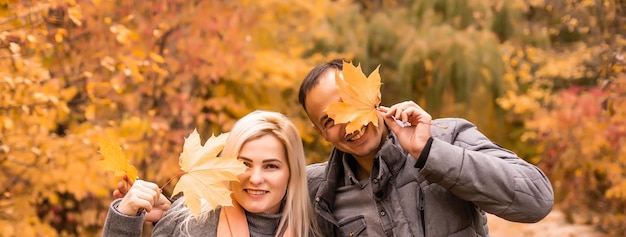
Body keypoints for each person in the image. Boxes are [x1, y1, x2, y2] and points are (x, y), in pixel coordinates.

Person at [298, 59, 554, 236]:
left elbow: (536, 199)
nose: (347, 123)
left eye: (349, 103)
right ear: (320, 133)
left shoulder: (449, 136)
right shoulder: (317, 191)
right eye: (329, 120)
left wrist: (430, 153)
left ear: (373, 95)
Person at [102, 110, 320, 237]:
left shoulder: (316, 227)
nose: (255, 178)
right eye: (244, 163)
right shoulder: (189, 221)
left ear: (292, 172)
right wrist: (125, 219)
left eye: (271, 166)